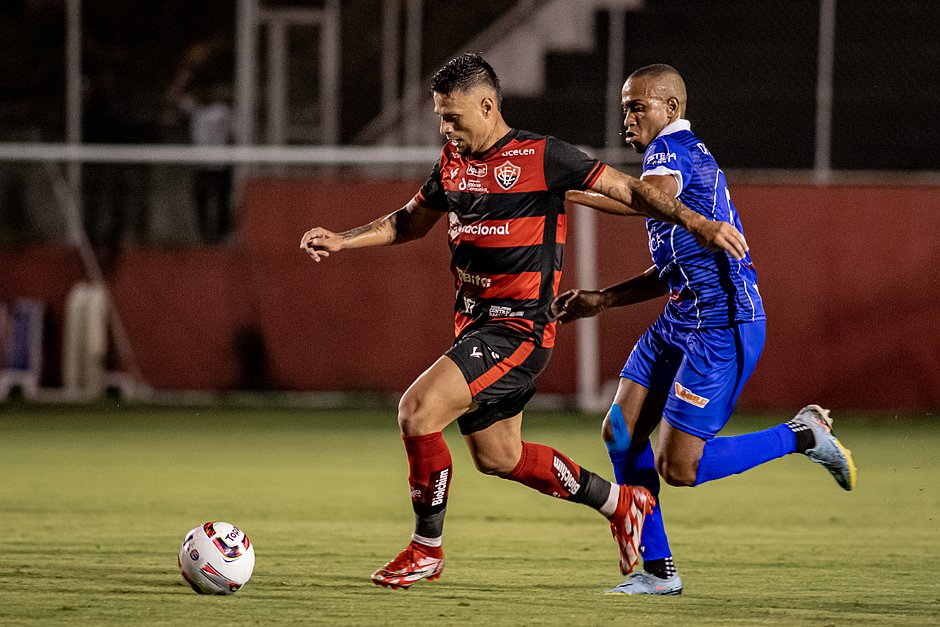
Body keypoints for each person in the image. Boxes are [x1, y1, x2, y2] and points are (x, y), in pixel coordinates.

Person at [300, 53, 747, 590]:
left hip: (518, 330)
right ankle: (621, 504)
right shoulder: (451, 162)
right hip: (474, 326)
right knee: (499, 456)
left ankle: (426, 550)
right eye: (441, 118)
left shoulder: (544, 156)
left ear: (487, 106)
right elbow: (409, 222)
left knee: (417, 412)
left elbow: (630, 190)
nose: (446, 128)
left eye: (454, 117)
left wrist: (700, 222)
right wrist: (344, 239)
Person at [553, 64, 857, 596]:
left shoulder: (674, 153)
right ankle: (658, 569)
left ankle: (803, 434)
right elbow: (663, 247)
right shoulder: (659, 178)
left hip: (723, 326)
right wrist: (603, 298)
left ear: (670, 110)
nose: (627, 116)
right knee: (620, 430)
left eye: (636, 106)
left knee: (680, 466)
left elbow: (646, 196)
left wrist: (571, 188)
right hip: (679, 319)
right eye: (624, 106)